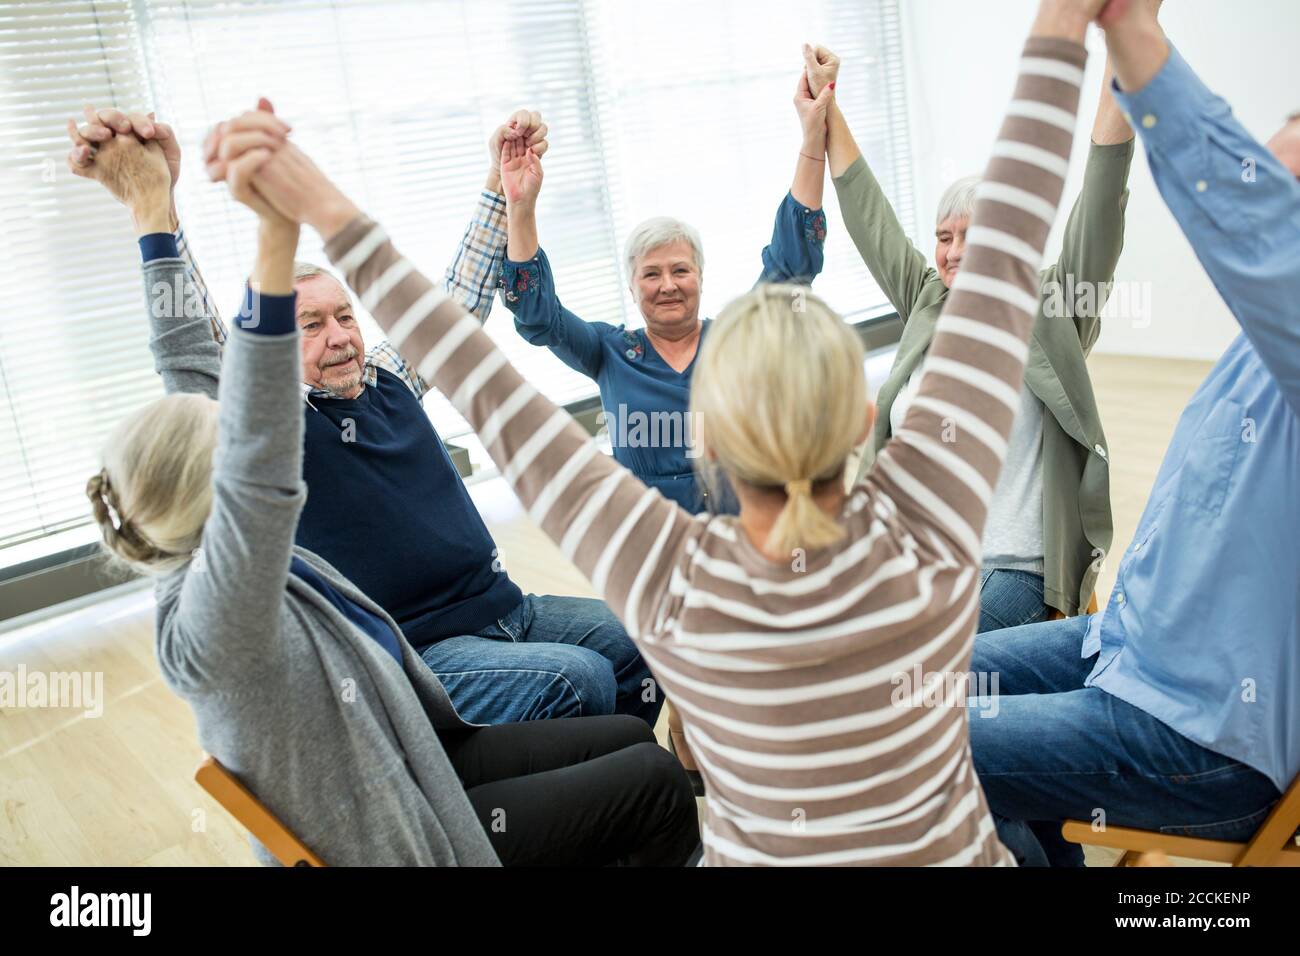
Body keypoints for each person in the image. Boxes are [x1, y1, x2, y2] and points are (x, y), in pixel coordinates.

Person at [219, 0, 1101, 864]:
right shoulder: (933, 541)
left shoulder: (677, 581)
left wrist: (304, 210)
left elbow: (477, 379)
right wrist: (1064, 25)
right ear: (870, 422)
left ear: (709, 441)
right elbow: (1003, 259)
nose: (669, 285)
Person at [80, 128, 699, 867]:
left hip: (505, 608)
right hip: (434, 656)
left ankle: (595, 814)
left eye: (345, 316)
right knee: (586, 682)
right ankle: (586, 818)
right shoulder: (272, 439)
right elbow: (195, 353)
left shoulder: (388, 380)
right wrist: (158, 212)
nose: (338, 335)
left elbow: (457, 300)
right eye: (308, 324)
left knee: (643, 642)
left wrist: (500, 189)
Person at [968, 0, 1300, 866]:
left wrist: (1127, 33)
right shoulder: (1253, 350)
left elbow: (1237, 219)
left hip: (1198, 740)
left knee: (911, 738)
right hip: (1124, 650)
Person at [812, 13, 1144, 631]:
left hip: (1009, 566)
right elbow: (867, 212)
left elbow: (1102, 193)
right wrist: (827, 104)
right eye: (944, 237)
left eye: (975, 235)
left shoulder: (1053, 305)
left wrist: (1126, 42)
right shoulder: (927, 301)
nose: (956, 251)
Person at [497, 73, 833, 515]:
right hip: (654, 546)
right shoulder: (609, 352)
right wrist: (521, 208)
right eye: (652, 274)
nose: (669, 285)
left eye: (680, 270)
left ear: (700, 276)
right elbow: (540, 318)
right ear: (632, 286)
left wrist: (813, 139)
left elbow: (790, 269)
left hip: (745, 537)